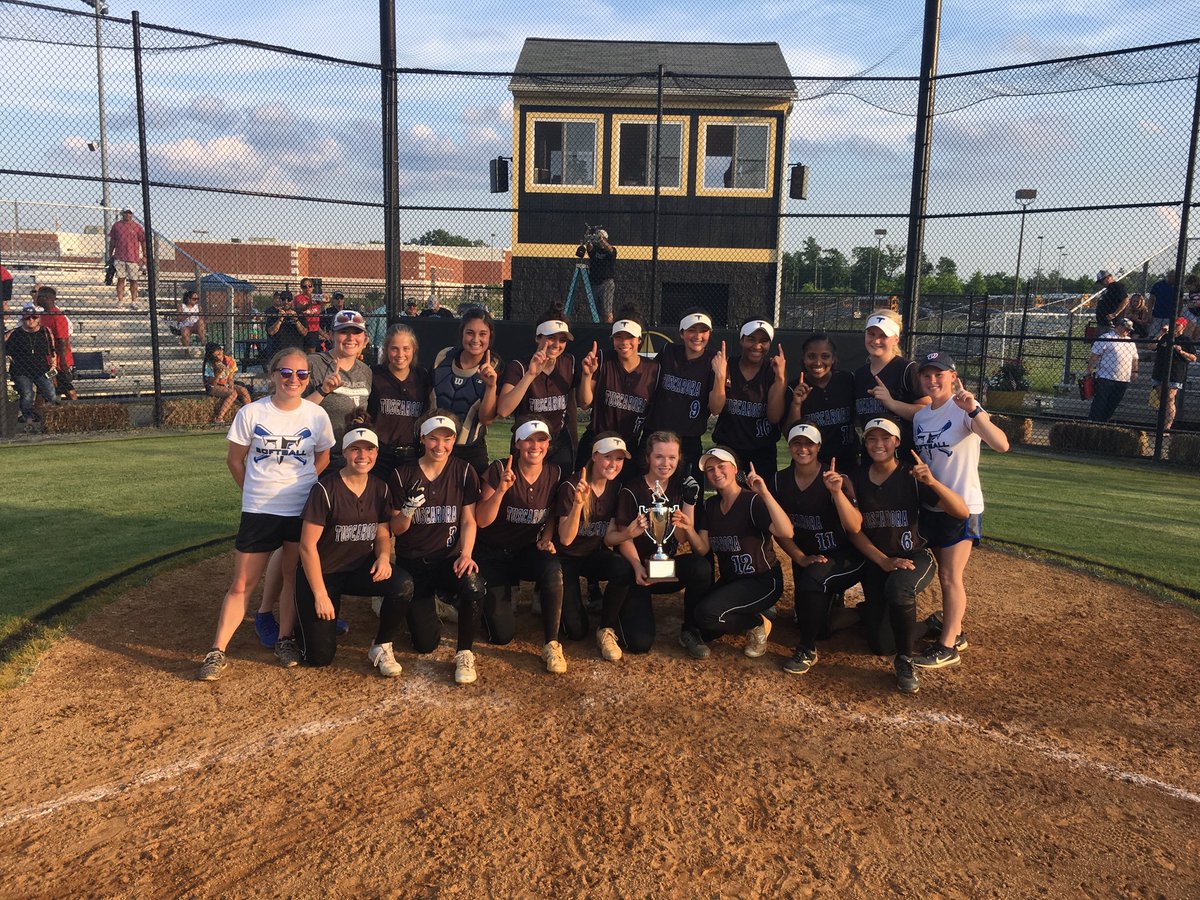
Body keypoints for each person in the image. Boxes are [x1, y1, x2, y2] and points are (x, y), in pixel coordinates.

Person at [196, 348, 336, 681]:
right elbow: (234, 460)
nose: (294, 380)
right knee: (243, 582)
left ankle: (285, 639)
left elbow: (324, 458)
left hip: (299, 509)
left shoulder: (316, 416)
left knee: (290, 576)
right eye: (286, 373)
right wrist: (254, 491)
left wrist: (301, 485)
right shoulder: (252, 413)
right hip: (260, 509)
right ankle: (217, 650)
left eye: (302, 375)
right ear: (273, 375)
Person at [844, 418, 968, 694]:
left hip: (914, 556)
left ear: (897, 442)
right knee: (880, 644)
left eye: (885, 438)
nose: (878, 444)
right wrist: (884, 561)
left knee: (899, 587)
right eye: (872, 439)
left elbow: (961, 512)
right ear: (865, 443)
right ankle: (929, 624)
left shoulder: (911, 475)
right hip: (878, 560)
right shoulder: (855, 478)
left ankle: (905, 660)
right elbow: (854, 532)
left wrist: (933, 482)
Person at [910, 352, 1009, 671]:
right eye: (927, 374)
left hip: (962, 506)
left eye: (939, 374)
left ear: (953, 376)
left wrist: (975, 409)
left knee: (950, 575)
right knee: (945, 573)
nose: (933, 379)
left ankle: (947, 645)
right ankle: (955, 630)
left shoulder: (964, 409)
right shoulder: (921, 416)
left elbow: (1001, 444)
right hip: (932, 506)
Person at [295, 427, 411, 677]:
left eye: (369, 449)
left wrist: (382, 557)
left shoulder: (380, 488)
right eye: (355, 449)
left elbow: (382, 531)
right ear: (345, 453)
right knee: (319, 658)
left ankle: (381, 644)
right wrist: (319, 594)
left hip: (357, 568)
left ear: (376, 453)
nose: (363, 455)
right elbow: (307, 546)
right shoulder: (325, 489)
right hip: (322, 573)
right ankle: (305, 618)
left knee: (402, 584)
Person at [390, 411, 487, 685]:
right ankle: (428, 604)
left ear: (454, 440)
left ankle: (465, 652)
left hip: (448, 560)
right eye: (433, 438)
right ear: (422, 438)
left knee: (473, 585)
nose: (439, 446)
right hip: (414, 562)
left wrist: (466, 554)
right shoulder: (403, 473)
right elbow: (396, 530)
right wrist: (408, 510)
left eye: (446, 439)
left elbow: (469, 519)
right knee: (424, 644)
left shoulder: (464, 471)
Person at [474, 418, 568, 675]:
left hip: (525, 550)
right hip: (492, 553)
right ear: (517, 443)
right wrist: (501, 491)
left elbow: (552, 512)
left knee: (552, 568)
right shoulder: (498, 470)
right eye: (528, 439)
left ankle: (552, 642)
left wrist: (548, 535)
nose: (534, 446)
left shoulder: (555, 473)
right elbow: (482, 520)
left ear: (548, 444)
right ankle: (483, 598)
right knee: (501, 635)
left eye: (541, 440)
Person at [607, 431, 712, 656]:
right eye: (659, 457)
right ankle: (620, 611)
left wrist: (690, 502)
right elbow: (624, 537)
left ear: (679, 458)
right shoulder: (632, 490)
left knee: (700, 567)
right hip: (639, 572)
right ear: (648, 458)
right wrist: (636, 567)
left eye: (672, 457)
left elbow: (683, 538)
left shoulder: (679, 489)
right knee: (639, 644)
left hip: (665, 568)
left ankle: (691, 630)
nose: (666, 463)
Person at [771, 423, 864, 675]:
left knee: (814, 582)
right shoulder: (780, 481)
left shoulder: (837, 478)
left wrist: (836, 493)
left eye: (809, 443)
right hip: (808, 557)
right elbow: (778, 529)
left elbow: (855, 527)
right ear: (789, 446)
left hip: (844, 555)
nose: (803, 449)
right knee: (812, 622)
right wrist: (799, 557)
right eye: (797, 443)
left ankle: (806, 650)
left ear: (819, 447)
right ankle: (863, 614)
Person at [689, 446, 795, 660]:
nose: (716, 472)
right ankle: (749, 614)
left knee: (707, 614)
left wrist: (764, 494)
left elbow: (786, 531)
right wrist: (687, 528)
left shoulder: (752, 501)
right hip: (732, 580)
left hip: (762, 580)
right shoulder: (711, 505)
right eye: (710, 469)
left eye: (721, 466)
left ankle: (757, 623)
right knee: (705, 626)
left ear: (735, 468)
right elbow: (702, 547)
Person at [555, 433, 635, 660]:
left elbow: (609, 534)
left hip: (592, 554)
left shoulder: (616, 487)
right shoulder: (572, 486)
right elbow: (566, 540)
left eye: (619, 459)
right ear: (594, 456)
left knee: (622, 569)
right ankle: (555, 599)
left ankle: (606, 628)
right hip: (566, 557)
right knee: (576, 632)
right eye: (608, 457)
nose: (614, 464)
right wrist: (579, 505)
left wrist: (628, 533)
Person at [641, 309, 724, 481]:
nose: (698, 336)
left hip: (689, 439)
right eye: (692, 330)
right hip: (656, 434)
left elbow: (716, 409)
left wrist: (720, 376)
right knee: (646, 490)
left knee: (690, 494)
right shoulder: (668, 351)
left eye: (703, 331)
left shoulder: (714, 361)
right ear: (681, 332)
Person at [576, 310, 660, 468]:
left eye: (629, 337)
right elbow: (584, 403)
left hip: (628, 447)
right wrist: (587, 376)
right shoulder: (602, 360)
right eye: (618, 337)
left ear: (639, 339)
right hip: (596, 441)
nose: (624, 342)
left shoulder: (653, 369)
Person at [497, 305, 577, 471]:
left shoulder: (569, 363)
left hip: (558, 442)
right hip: (527, 441)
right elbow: (503, 410)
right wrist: (531, 375)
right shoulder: (519, 367)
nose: (557, 344)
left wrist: (574, 442)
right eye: (551, 337)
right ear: (538, 337)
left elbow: (574, 405)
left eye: (562, 339)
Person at [712, 318, 788, 476]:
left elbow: (774, 417)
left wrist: (780, 380)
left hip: (762, 451)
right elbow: (715, 408)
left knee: (761, 498)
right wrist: (720, 376)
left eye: (764, 341)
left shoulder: (773, 370)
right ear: (741, 339)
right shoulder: (728, 366)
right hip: (728, 448)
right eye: (751, 339)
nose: (757, 346)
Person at [430, 307, 502, 474]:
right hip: (435, 448)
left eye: (482, 334)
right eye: (470, 333)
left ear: (490, 335)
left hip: (470, 452)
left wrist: (491, 386)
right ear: (462, 333)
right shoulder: (443, 357)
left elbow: (486, 419)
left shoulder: (495, 367)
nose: (476, 339)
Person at [853, 309, 929, 454]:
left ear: (895, 339)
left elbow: (929, 411)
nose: (876, 341)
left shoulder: (907, 369)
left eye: (883, 336)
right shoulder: (860, 374)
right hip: (870, 461)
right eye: (871, 334)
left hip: (903, 459)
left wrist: (892, 403)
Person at [304, 309, 373, 470]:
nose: (350, 338)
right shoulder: (314, 364)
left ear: (364, 338)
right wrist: (323, 391)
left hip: (353, 461)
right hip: (318, 458)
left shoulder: (366, 371)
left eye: (356, 332)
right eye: (343, 331)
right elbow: (294, 411)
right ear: (331, 335)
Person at [786, 332, 857, 470]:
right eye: (811, 356)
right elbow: (789, 433)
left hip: (848, 461)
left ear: (834, 359)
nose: (818, 362)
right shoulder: (794, 388)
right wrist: (796, 404)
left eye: (825, 356)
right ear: (803, 359)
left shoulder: (848, 380)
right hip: (811, 465)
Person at [367, 324, 430, 477]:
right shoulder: (374, 375)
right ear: (386, 349)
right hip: (380, 455)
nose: (400, 354)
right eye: (394, 348)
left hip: (412, 455)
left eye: (406, 348)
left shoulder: (423, 376)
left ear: (413, 349)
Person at [3, 303, 58, 427]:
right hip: (21, 370)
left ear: (38, 318)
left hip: (41, 369)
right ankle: (28, 419)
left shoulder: (45, 331)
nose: (31, 320)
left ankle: (49, 416)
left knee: (51, 394)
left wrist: (53, 366)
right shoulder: (15, 333)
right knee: (27, 394)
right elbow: (6, 350)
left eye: (33, 317)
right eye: (28, 318)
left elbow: (52, 350)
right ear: (23, 320)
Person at [1087, 317, 1138, 422]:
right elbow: (1095, 355)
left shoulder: (1130, 342)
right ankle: (1093, 421)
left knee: (1113, 402)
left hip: (1123, 378)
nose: (1128, 332)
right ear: (1119, 326)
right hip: (1106, 376)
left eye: (1129, 330)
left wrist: (1135, 371)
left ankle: (1104, 421)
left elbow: (1135, 358)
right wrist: (1090, 369)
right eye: (1126, 329)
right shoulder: (1106, 337)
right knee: (1101, 401)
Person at [1151, 318, 1196, 434]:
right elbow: (1151, 346)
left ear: (1183, 327)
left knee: (1169, 399)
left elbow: (1193, 358)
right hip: (1160, 372)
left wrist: (1181, 352)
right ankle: (1160, 426)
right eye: (1173, 324)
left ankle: (1166, 428)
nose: (1175, 327)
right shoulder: (1165, 337)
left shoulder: (1185, 340)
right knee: (1162, 400)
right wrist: (1161, 333)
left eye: (1177, 325)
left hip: (1175, 373)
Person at [37, 286, 76, 402]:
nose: (37, 299)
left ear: (47, 298)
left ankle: (76, 408)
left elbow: (62, 340)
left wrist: (63, 361)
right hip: (47, 359)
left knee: (66, 387)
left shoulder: (57, 316)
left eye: (40, 297)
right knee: (43, 385)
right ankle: (36, 412)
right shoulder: (44, 315)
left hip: (57, 361)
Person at [203, 342, 251, 423]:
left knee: (243, 390)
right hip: (213, 386)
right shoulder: (209, 364)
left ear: (222, 350)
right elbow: (212, 384)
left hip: (225, 383)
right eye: (216, 356)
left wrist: (231, 384)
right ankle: (219, 417)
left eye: (219, 354)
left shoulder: (229, 360)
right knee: (233, 393)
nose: (219, 357)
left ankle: (249, 414)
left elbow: (230, 377)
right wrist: (217, 374)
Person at [108, 208, 146, 307]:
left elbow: (143, 241)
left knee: (134, 280)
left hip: (133, 258)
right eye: (126, 212)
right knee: (121, 279)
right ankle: (120, 300)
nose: (128, 215)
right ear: (122, 214)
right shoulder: (116, 226)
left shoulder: (137, 227)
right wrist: (110, 253)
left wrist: (145, 256)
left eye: (130, 213)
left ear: (132, 214)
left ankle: (134, 301)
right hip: (119, 257)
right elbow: (112, 241)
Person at [584, 229, 617, 322]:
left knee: (607, 311)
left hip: (606, 283)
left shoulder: (612, 250)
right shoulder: (595, 250)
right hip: (594, 283)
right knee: (596, 311)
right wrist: (588, 239)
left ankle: (608, 329)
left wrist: (602, 239)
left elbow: (610, 250)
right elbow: (589, 248)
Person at [264, 290, 305, 362]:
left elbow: (304, 332)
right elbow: (271, 332)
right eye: (283, 299)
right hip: (279, 350)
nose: (286, 302)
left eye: (288, 299)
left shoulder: (298, 313)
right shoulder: (274, 314)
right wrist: (280, 318)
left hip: (295, 349)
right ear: (280, 300)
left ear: (292, 301)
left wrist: (296, 320)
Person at [1149, 270, 1177, 336]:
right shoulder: (1158, 285)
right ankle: (1152, 344)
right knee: (1153, 334)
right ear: (1168, 276)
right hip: (1157, 314)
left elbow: (1180, 301)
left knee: (1166, 334)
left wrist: (1177, 313)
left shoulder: (1177, 286)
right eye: (1171, 276)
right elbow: (1151, 299)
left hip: (1170, 315)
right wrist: (1149, 313)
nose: (1172, 279)